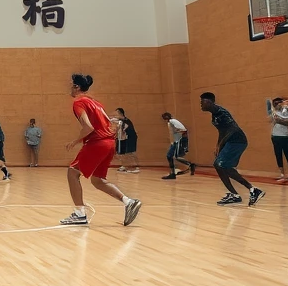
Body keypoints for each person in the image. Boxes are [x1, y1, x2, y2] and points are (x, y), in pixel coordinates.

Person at [60, 74, 141, 227]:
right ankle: (128, 202)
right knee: (97, 180)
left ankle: (79, 214)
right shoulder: (95, 102)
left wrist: (75, 141)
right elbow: (109, 123)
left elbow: (88, 127)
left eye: (71, 85)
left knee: (72, 172)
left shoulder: (78, 102)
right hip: (109, 143)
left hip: (97, 143)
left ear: (77, 87)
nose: (69, 88)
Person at [200, 92, 264, 206]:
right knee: (222, 166)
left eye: (203, 102)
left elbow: (232, 129)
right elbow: (222, 131)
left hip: (237, 141)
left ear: (210, 102)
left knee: (219, 165)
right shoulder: (214, 114)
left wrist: (220, 145)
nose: (201, 104)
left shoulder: (222, 113)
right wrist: (218, 145)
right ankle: (238, 193)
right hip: (230, 142)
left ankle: (250, 189)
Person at [161, 112, 196, 179]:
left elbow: (184, 130)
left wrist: (182, 139)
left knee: (176, 156)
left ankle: (190, 165)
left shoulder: (173, 121)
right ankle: (172, 174)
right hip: (174, 142)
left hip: (179, 141)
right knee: (169, 156)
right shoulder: (169, 123)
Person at [269, 97, 288, 181]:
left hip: (284, 135)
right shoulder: (274, 112)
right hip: (275, 135)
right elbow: (272, 120)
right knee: (278, 154)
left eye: (278, 103)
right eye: (275, 104)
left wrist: (278, 120)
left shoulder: (287, 110)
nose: (276, 105)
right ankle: (282, 173)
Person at [114, 108, 140, 173]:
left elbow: (125, 128)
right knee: (121, 153)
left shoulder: (126, 121)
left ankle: (136, 167)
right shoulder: (119, 121)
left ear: (120, 113)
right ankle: (124, 165)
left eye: (117, 113)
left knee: (131, 152)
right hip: (121, 138)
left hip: (130, 138)